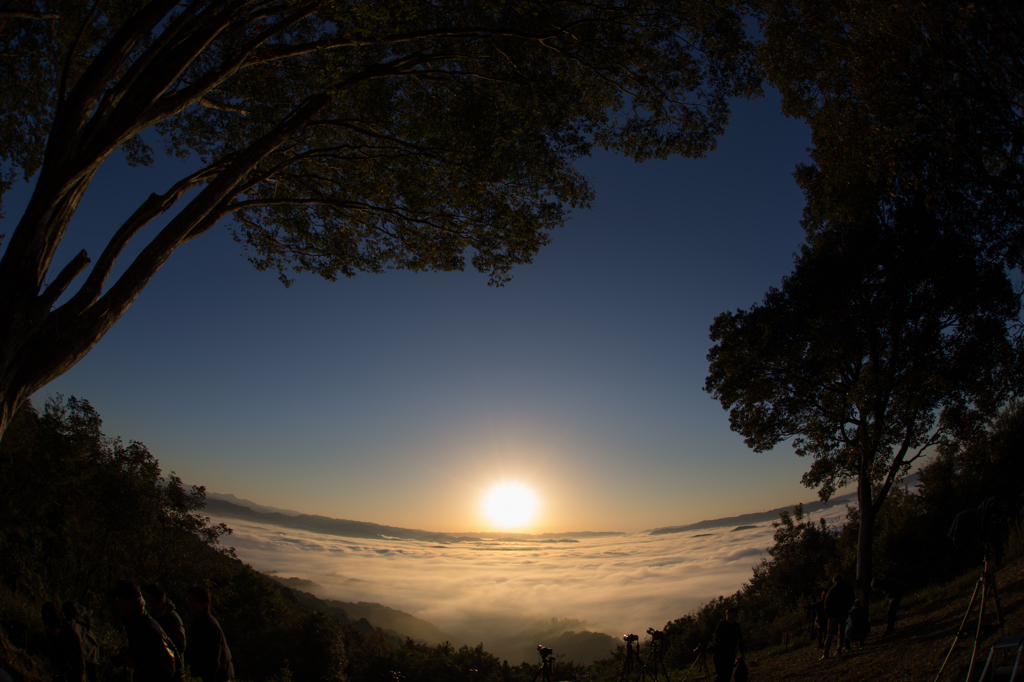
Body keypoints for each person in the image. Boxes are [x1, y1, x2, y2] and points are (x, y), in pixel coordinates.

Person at [112, 580, 182, 682]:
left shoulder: (147, 627)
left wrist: (137, 666)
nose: (117, 602)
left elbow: (167, 669)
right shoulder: (135, 623)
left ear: (129, 602)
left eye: (119, 599)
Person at [186, 586, 234, 682]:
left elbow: (214, 657)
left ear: (204, 604)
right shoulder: (200, 621)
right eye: (189, 598)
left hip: (219, 676)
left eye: (193, 599)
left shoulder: (208, 625)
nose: (189, 602)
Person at [41, 602, 85, 682]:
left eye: (53, 630)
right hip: (62, 658)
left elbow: (79, 657)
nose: (50, 631)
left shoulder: (71, 632)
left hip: (77, 658)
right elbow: (52, 651)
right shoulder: (49, 625)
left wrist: (81, 675)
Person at [143, 584, 186, 659]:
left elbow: (180, 646)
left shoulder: (173, 620)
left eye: (152, 602)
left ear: (162, 602)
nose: (150, 605)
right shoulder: (154, 616)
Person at [61, 601, 99, 682]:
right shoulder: (78, 622)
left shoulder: (75, 626)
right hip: (90, 650)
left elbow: (79, 651)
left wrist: (82, 673)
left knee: (92, 677)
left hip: (89, 652)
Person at [822, 574, 855, 659]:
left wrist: (828, 614)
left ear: (834, 581)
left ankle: (826, 653)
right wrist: (848, 608)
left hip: (834, 615)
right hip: (844, 613)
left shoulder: (832, 590)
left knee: (830, 635)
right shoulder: (848, 587)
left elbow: (827, 603)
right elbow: (852, 598)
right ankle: (839, 650)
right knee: (841, 633)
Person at [711, 607, 744, 682]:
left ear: (735, 616)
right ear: (727, 615)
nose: (731, 617)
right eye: (729, 614)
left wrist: (742, 652)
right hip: (720, 655)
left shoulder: (736, 626)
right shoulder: (722, 625)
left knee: (728, 675)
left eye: (733, 615)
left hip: (730, 654)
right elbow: (720, 639)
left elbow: (739, 640)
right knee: (721, 675)